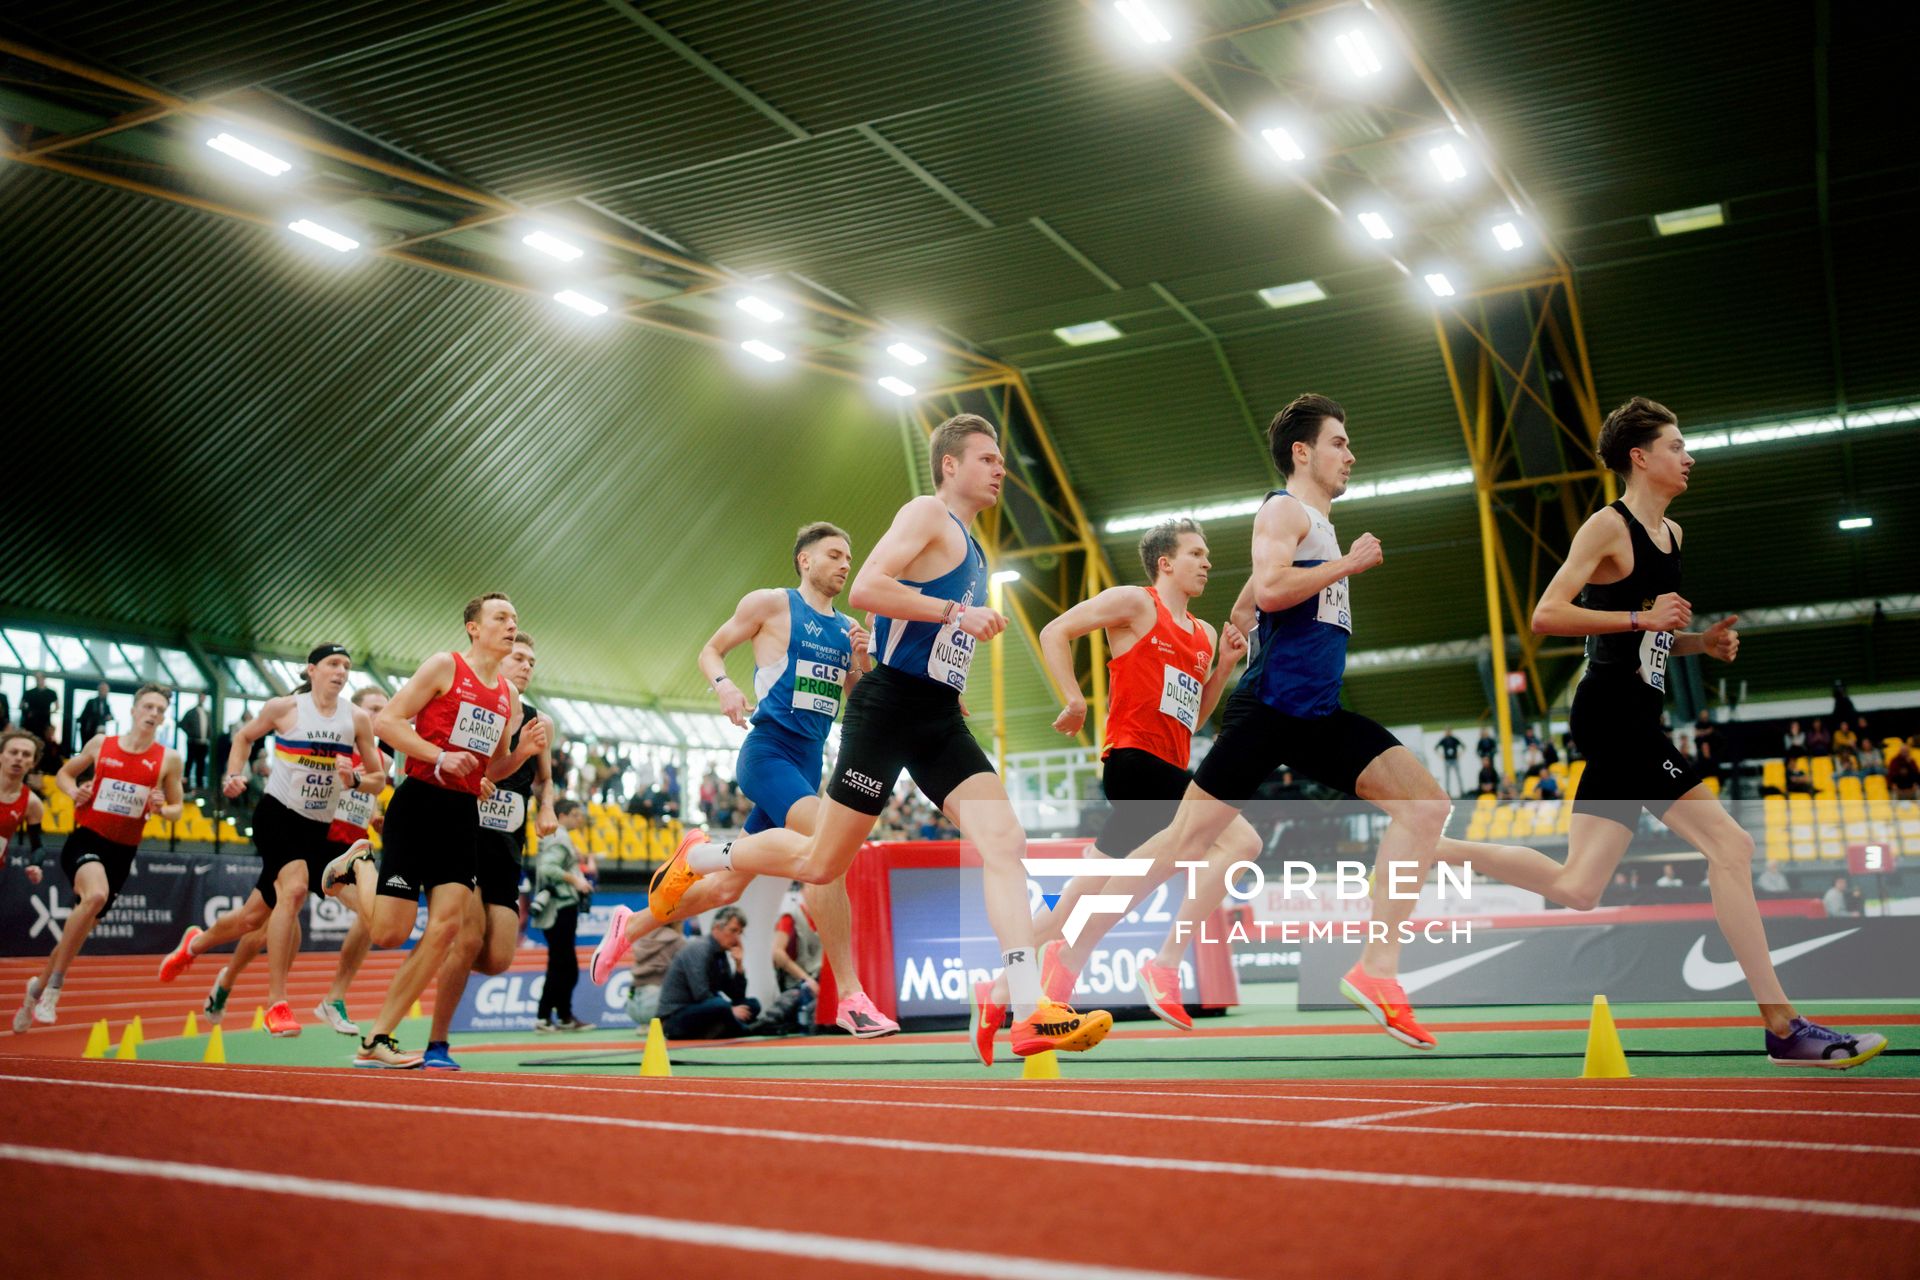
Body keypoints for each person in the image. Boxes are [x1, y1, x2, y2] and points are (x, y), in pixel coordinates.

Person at [644, 414, 1112, 1061]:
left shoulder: (976, 552)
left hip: (938, 716)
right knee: (820, 863)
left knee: (1005, 840)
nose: (1001, 468)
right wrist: (955, 613)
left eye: (1002, 460)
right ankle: (702, 856)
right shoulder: (927, 514)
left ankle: (1029, 1009)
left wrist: (952, 670)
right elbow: (867, 587)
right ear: (950, 466)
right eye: (987, 458)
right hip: (886, 708)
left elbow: (932, 638)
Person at [1098, 394, 1553, 1051]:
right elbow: (1277, 583)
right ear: (1302, 452)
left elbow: (1260, 596)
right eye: (1339, 442)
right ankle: (1110, 949)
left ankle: (1377, 970)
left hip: (1316, 713)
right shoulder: (1284, 509)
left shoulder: (1316, 523)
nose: (1351, 453)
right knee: (1183, 843)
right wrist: (1345, 566)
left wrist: (1238, 627)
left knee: (1426, 806)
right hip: (1271, 710)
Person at [1529, 395, 1883, 1067]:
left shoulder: (1675, 536)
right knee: (1732, 843)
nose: (1688, 457)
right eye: (1676, 445)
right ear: (1641, 457)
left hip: (1635, 716)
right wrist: (1642, 620)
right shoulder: (1609, 527)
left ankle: (1438, 848)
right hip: (1614, 718)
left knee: (1578, 888)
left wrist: (1698, 644)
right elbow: (1547, 614)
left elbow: (1653, 639)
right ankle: (1782, 1024)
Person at [591, 521, 902, 1039]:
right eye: (834, 555)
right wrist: (726, 688)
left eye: (849, 557)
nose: (846, 564)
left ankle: (634, 922)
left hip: (807, 764)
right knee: (829, 855)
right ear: (805, 560)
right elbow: (711, 650)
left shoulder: (845, 628)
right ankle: (850, 994)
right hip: (767, 755)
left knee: (724, 890)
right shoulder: (772, 604)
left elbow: (854, 703)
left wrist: (860, 665)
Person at [975, 516, 1255, 1046]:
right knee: (1241, 839)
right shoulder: (1136, 602)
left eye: (1208, 556)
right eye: (1196, 554)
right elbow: (1054, 630)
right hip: (1133, 764)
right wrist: (1074, 699)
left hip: (1170, 768)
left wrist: (1222, 668)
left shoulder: (1204, 633)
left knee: (1079, 899)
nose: (1207, 563)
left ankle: (998, 991)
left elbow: (1193, 719)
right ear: (1165, 563)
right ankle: (1164, 963)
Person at [156, 645, 387, 1036]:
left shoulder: (357, 719)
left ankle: (193, 944)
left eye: (346, 666)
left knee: (251, 919)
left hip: (320, 828)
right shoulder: (285, 708)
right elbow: (244, 737)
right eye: (333, 664)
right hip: (278, 813)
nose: (340, 671)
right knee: (293, 890)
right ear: (311, 670)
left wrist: (356, 781)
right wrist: (233, 774)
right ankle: (277, 1003)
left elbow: (378, 779)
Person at [350, 593, 525, 1068]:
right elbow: (386, 722)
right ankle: (357, 867)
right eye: (501, 618)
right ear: (474, 627)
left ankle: (378, 1037)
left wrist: (514, 757)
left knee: (447, 926)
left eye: (514, 619)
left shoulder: (507, 696)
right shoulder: (444, 667)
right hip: (419, 802)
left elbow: (494, 763)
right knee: (389, 932)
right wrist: (439, 756)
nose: (511, 626)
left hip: (462, 814)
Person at [419, 631, 554, 1069]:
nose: (526, 666)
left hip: (508, 848)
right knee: (469, 937)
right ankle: (438, 1043)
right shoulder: (481, 706)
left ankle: (440, 956)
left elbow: (545, 780)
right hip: (465, 835)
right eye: (518, 657)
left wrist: (546, 809)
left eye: (532, 661)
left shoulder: (541, 722)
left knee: (497, 958)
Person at [14, 684, 182, 1032]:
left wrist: (161, 809)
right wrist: (76, 791)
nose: (153, 714)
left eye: (160, 710)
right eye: (148, 707)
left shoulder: (168, 759)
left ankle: (38, 988)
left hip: (123, 851)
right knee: (96, 895)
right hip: (87, 838)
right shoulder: (101, 744)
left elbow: (178, 809)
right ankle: (56, 989)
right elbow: (63, 774)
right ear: (134, 710)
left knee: (78, 932)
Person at [531, 798, 593, 1031]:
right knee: (561, 965)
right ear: (563, 815)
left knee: (563, 964)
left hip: (562, 907)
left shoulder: (558, 836)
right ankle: (546, 1015)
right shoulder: (559, 836)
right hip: (560, 907)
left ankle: (562, 1015)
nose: (580, 818)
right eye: (575, 813)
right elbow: (548, 868)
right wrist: (576, 880)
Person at [655, 906, 758, 1039]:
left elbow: (736, 995)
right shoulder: (699, 949)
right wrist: (730, 1010)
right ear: (716, 928)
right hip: (674, 1019)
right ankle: (745, 1030)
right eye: (733, 931)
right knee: (720, 1005)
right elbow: (701, 994)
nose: (737, 938)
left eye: (740, 933)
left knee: (753, 1004)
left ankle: (720, 1029)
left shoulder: (720, 953)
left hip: (700, 1010)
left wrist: (739, 966)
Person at [0, 731, 48, 881]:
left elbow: (38, 846)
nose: (19, 758)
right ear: (1, 756)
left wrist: (36, 865)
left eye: (26, 754)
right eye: (13, 752)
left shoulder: (32, 803)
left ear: (33, 763)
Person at [626, 921, 688, 1029]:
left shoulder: (643, 939)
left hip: (632, 1004)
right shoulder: (677, 940)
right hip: (657, 1005)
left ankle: (646, 1025)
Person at [179, 694, 213, 791]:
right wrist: (191, 733)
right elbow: (182, 724)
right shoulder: (191, 712)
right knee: (189, 763)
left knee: (201, 764)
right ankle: (185, 785)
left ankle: (200, 787)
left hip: (204, 743)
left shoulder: (207, 713)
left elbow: (210, 727)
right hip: (193, 742)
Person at [19, 674, 56, 743]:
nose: (39, 680)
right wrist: (27, 713)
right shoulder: (29, 692)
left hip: (44, 720)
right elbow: (21, 706)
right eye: (37, 678)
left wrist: (50, 712)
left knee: (43, 740)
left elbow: (57, 706)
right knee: (30, 739)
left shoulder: (51, 692)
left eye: (40, 678)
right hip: (31, 720)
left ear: (44, 679)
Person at [1433, 728, 1465, 795]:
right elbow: (1435, 748)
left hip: (1454, 760)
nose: (1448, 732)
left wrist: (1459, 754)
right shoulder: (1443, 740)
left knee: (1458, 775)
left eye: (1449, 731)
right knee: (1447, 776)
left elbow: (1463, 746)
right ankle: (1448, 791)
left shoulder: (1454, 739)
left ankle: (1462, 790)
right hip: (1447, 760)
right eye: (1447, 731)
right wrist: (1441, 756)